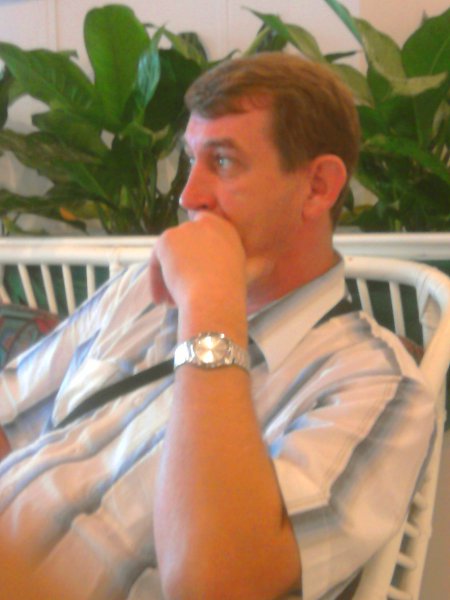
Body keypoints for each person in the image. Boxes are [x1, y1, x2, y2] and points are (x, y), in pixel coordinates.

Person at [0, 53, 434, 600]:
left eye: (224, 161)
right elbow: (10, 418)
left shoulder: (375, 386)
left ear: (318, 187)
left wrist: (209, 305)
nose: (188, 196)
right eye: (191, 159)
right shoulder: (142, 292)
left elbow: (215, 585)